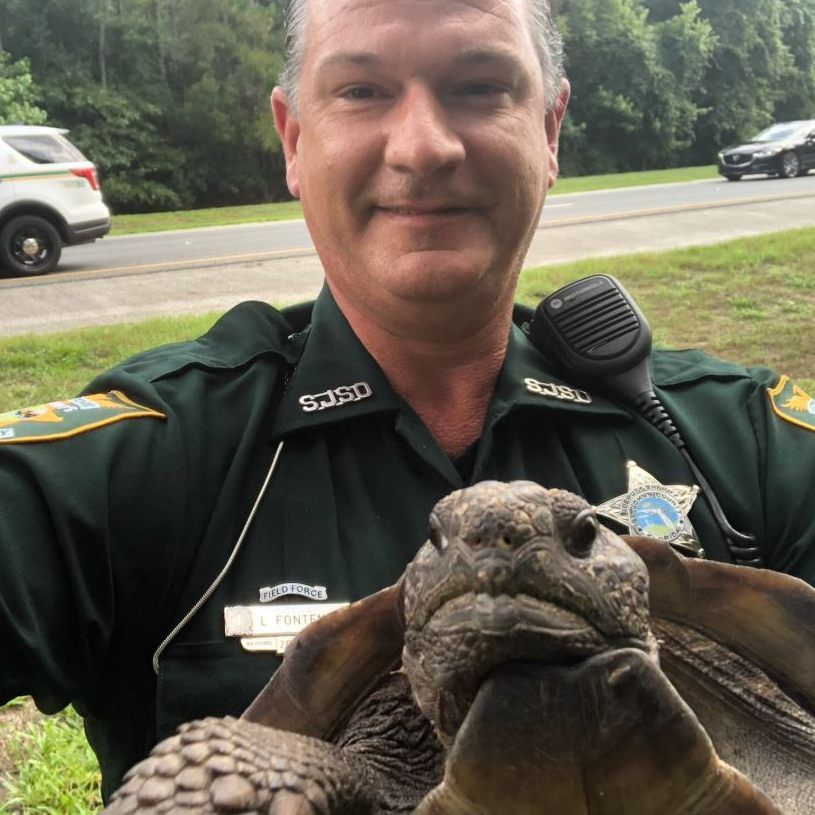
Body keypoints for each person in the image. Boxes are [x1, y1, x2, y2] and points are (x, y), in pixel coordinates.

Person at [1, 0, 814, 802]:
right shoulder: (157, 454)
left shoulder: (737, 436)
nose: (424, 146)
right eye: (361, 90)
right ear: (292, 138)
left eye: (478, 85)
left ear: (550, 127)